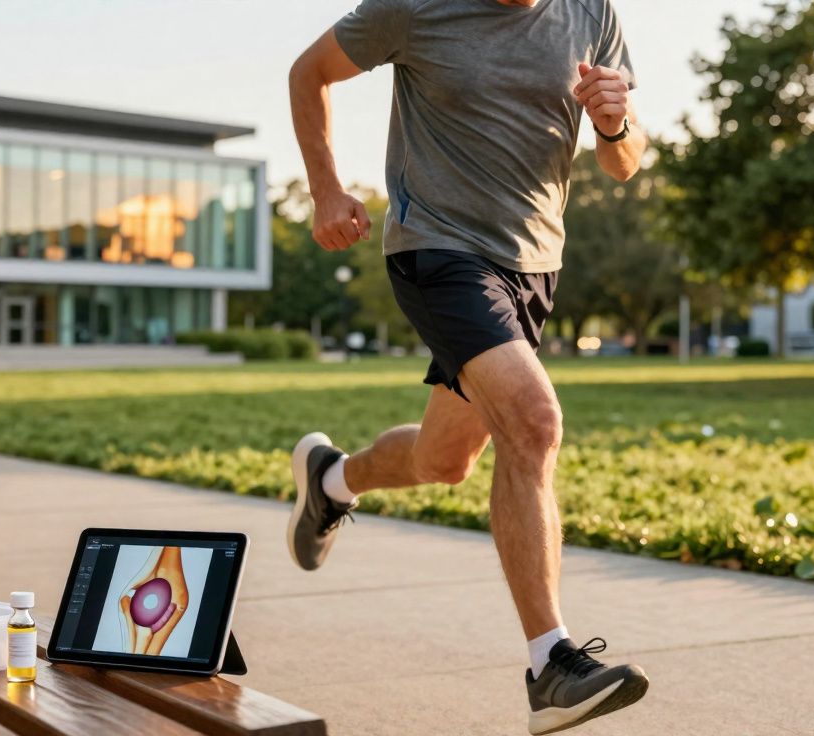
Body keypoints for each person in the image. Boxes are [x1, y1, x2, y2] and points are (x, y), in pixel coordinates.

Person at [285, 1, 650, 733]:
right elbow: (309, 72)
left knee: (444, 460)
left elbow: (623, 160)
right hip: (438, 249)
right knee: (534, 423)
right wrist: (325, 188)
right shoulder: (416, 7)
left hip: (534, 264)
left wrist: (615, 124)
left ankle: (331, 480)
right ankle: (550, 666)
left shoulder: (590, 11)